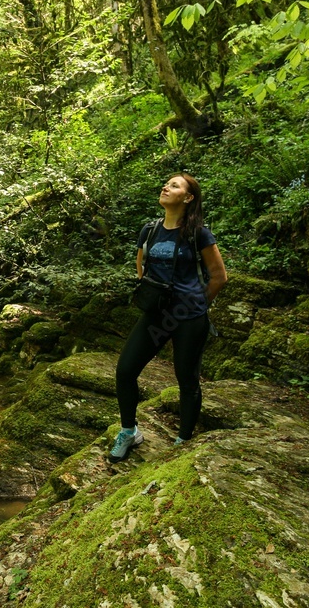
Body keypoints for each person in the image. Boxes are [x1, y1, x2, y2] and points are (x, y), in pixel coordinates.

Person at [109, 173, 228, 462]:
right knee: (125, 370)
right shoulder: (150, 230)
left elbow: (219, 277)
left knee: (186, 379)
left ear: (188, 198)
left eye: (175, 185)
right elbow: (141, 268)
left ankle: (182, 441)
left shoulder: (198, 232)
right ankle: (129, 432)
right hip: (156, 314)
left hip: (189, 316)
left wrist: (196, 305)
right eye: (167, 183)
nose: (166, 187)